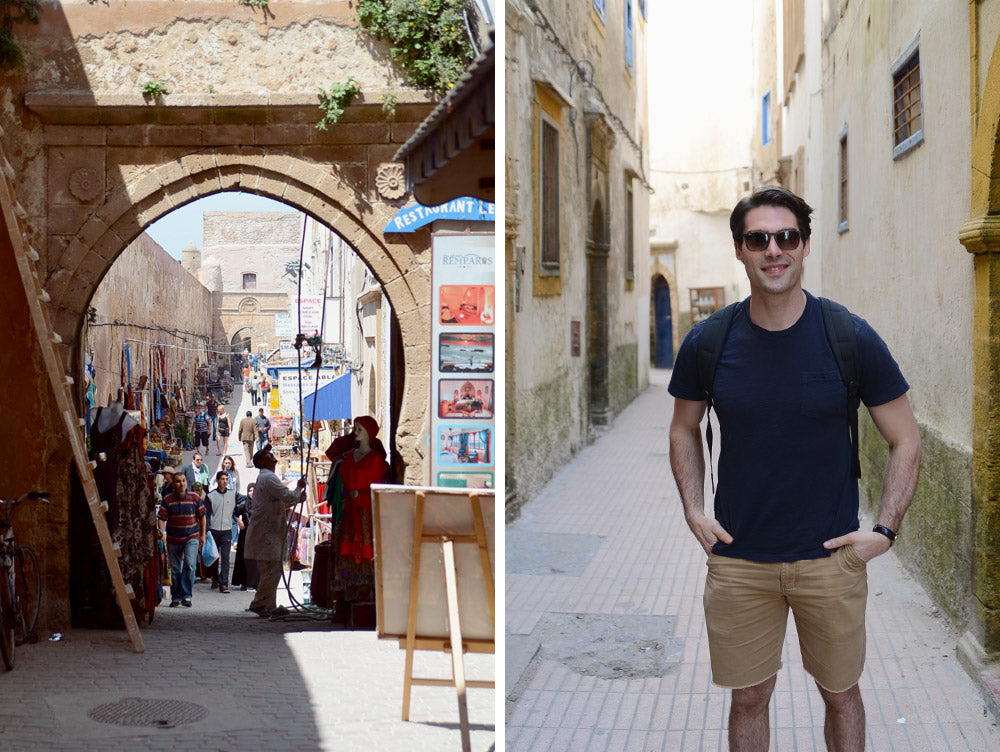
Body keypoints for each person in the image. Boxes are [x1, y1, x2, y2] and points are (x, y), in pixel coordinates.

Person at [667, 186, 922, 752]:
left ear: (805, 246)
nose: (773, 249)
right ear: (740, 250)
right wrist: (693, 509)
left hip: (830, 559)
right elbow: (684, 427)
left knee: (840, 693)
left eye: (787, 237)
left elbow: (905, 438)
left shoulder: (848, 336)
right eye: (758, 238)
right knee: (749, 699)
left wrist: (883, 531)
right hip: (739, 560)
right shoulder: (709, 342)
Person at [326, 416, 389, 607]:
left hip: (367, 511)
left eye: (360, 429)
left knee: (367, 549)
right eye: (356, 429)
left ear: (369, 433)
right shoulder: (348, 458)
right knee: (346, 550)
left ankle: (368, 595)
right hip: (349, 511)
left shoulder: (376, 460)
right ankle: (348, 594)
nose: (356, 433)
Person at [244, 446, 306, 617]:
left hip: (267, 533)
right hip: (267, 535)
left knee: (271, 571)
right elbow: (287, 496)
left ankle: (268, 605)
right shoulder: (269, 478)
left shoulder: (266, 478)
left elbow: (280, 502)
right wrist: (299, 488)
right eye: (268, 455)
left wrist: (296, 497)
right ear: (262, 462)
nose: (272, 456)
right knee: (272, 571)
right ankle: (259, 603)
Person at [157, 473, 207, 608]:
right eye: (178, 481)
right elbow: (161, 517)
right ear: (174, 484)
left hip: (191, 537)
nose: (182, 484)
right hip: (173, 538)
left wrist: (203, 535)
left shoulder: (194, 497)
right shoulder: (168, 499)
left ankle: (187, 595)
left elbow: (202, 516)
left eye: (184, 481)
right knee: (175, 569)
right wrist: (162, 534)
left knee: (190, 565)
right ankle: (176, 596)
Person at [205, 471, 248, 594]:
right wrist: (206, 531)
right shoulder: (210, 496)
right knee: (214, 557)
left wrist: (237, 515)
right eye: (222, 479)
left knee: (225, 557)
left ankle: (223, 583)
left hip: (227, 530)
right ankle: (215, 577)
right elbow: (207, 515)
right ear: (217, 480)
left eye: (226, 479)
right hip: (213, 530)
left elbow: (246, 500)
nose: (225, 481)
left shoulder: (233, 494)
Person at [231, 481, 258, 591]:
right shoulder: (244, 504)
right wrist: (239, 521)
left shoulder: (260, 503)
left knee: (255, 559)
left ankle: (255, 582)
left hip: (256, 535)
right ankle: (244, 582)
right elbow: (234, 513)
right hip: (245, 534)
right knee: (244, 558)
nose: (252, 493)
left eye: (254, 490)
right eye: (250, 491)